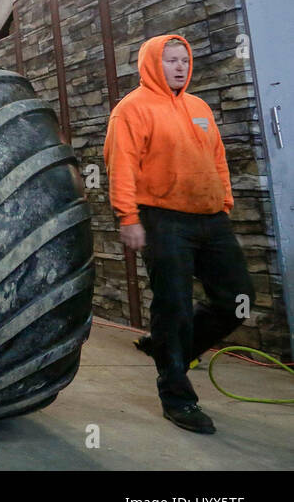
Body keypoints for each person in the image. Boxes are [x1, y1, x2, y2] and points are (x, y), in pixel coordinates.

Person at [102, 34, 253, 434]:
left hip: (210, 217)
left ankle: (170, 349)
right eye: (170, 61)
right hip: (163, 220)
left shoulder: (199, 106)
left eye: (184, 60)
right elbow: (121, 167)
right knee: (175, 307)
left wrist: (225, 201)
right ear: (152, 63)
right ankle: (177, 397)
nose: (180, 67)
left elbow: (216, 156)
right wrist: (128, 217)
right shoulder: (131, 110)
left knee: (237, 299)